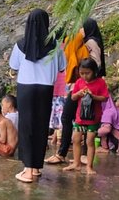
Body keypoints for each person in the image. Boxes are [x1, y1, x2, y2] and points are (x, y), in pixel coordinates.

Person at [9, 9, 66, 183]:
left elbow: (14, 66)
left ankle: (27, 170)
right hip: (45, 89)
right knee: (41, 126)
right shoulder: (55, 45)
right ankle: (35, 168)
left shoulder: (20, 45)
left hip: (25, 88)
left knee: (26, 127)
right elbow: (62, 68)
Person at [47, 18, 105, 165]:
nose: (81, 31)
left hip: (86, 89)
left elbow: (94, 65)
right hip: (80, 87)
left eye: (83, 28)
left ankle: (64, 154)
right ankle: (75, 154)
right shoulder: (90, 42)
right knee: (81, 119)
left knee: (73, 117)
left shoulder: (91, 43)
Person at [63, 58, 110, 175]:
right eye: (82, 73)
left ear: (94, 71)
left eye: (87, 73)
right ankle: (76, 163)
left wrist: (93, 96)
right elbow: (73, 97)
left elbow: (105, 98)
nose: (84, 76)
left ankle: (89, 166)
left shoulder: (100, 82)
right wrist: (78, 93)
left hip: (93, 118)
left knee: (90, 141)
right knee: (76, 139)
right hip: (80, 117)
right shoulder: (79, 82)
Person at [49, 56, 67, 144]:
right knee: (59, 115)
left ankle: (59, 139)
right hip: (58, 87)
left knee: (60, 115)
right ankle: (57, 137)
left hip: (61, 87)